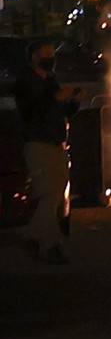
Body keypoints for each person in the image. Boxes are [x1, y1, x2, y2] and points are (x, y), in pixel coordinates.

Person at [16, 40, 71, 263]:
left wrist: (72, 102)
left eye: (52, 54)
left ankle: (34, 238)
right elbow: (32, 112)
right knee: (49, 195)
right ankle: (48, 244)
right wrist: (55, 98)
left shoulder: (51, 81)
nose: (51, 59)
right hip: (39, 143)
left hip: (56, 143)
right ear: (34, 57)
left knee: (55, 196)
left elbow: (61, 111)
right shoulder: (26, 82)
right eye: (46, 55)